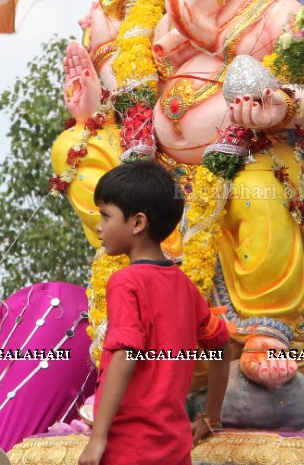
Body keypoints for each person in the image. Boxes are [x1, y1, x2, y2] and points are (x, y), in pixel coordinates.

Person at [77, 160, 230, 465]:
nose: (99, 226)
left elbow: (126, 356)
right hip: (173, 447)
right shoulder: (185, 287)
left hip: (128, 447)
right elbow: (222, 346)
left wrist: (98, 437)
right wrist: (211, 416)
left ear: (137, 223)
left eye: (106, 216)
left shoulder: (125, 281)